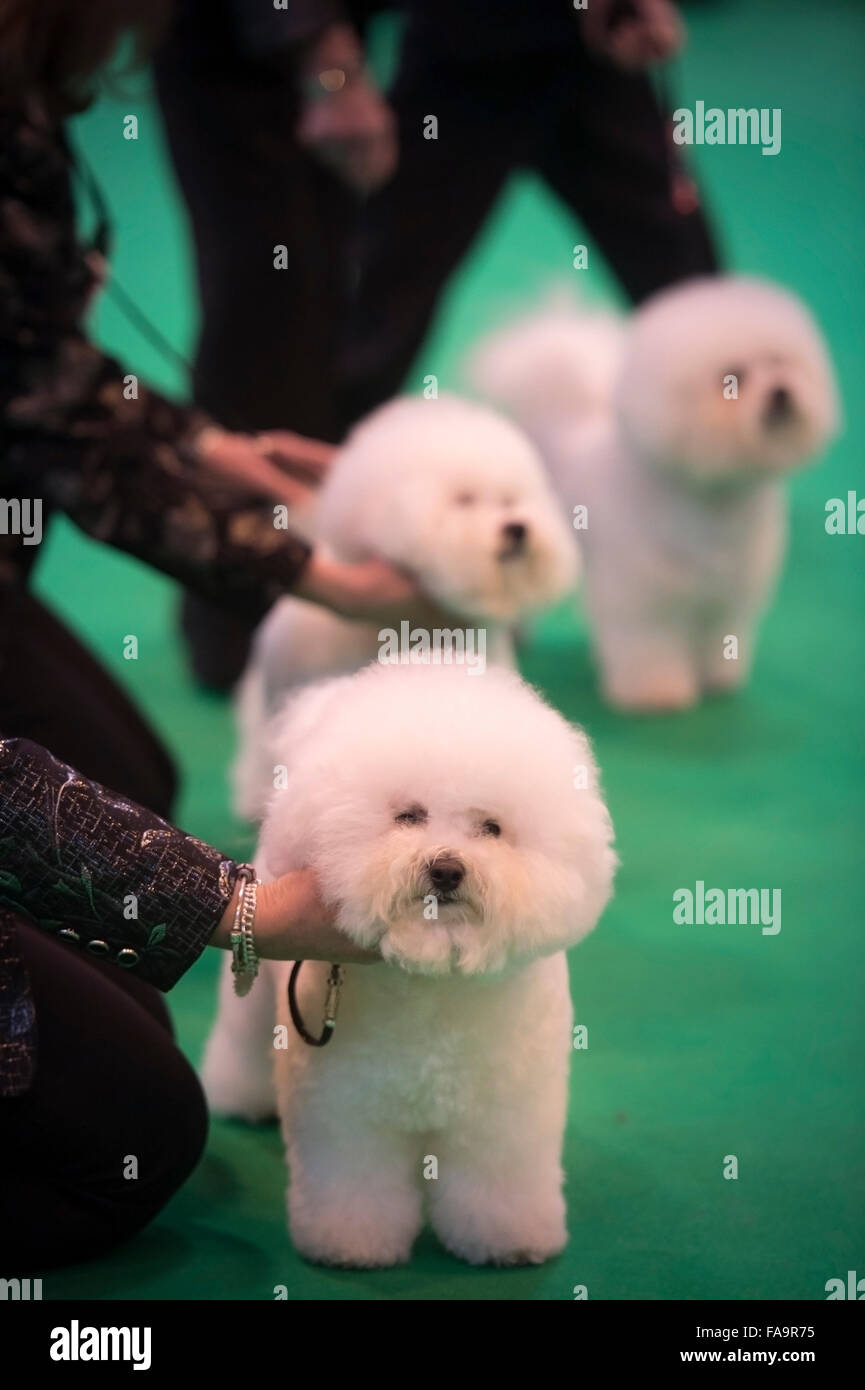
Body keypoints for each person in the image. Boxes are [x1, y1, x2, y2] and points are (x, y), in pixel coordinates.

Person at [154, 0, 400, 688]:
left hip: (303, 46)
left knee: (316, 310)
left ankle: (286, 604)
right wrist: (329, 64)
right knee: (266, 323)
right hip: (245, 55)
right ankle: (238, 622)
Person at [337, 0, 722, 424]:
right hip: (462, 52)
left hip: (594, 52)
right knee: (382, 305)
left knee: (692, 291)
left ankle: (724, 455)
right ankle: (314, 463)